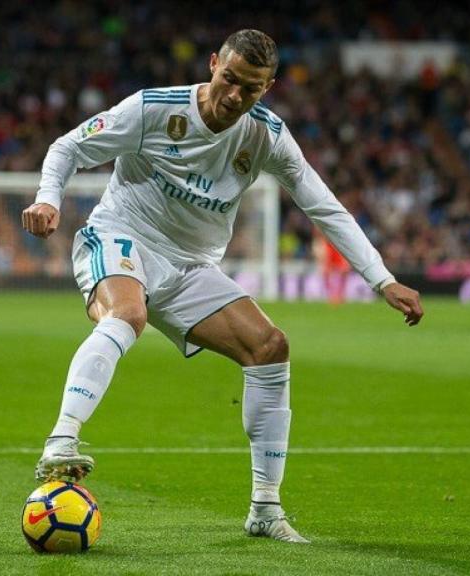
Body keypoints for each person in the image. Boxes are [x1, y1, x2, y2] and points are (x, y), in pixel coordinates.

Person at [21, 29, 424, 544]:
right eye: (229, 79)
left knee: (270, 348)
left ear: (269, 87)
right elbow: (68, 146)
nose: (235, 96)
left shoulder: (266, 135)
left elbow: (323, 205)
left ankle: (265, 508)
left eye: (251, 88)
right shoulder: (152, 109)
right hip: (122, 236)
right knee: (128, 315)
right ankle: (61, 440)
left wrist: (382, 279)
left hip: (191, 267)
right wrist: (49, 198)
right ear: (213, 64)